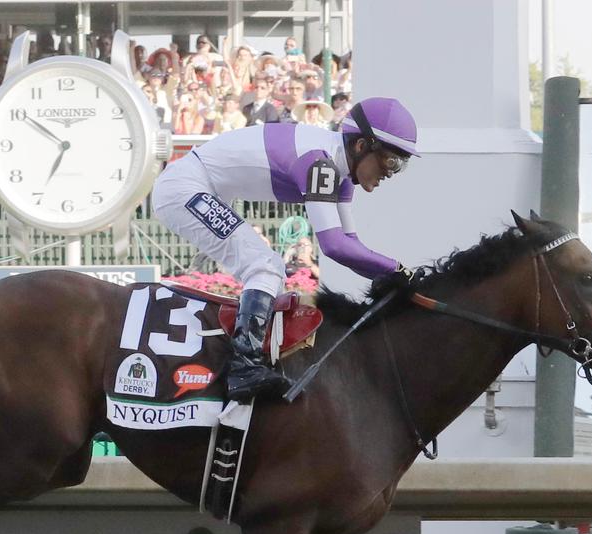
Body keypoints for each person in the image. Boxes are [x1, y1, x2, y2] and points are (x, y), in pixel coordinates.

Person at [151, 97, 419, 402]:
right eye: (391, 161)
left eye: (401, 165)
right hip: (184, 187)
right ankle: (243, 367)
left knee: (269, 269)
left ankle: (251, 360)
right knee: (266, 266)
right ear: (361, 145)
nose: (391, 173)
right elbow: (333, 247)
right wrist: (396, 270)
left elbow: (350, 247)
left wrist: (390, 277)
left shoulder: (340, 176)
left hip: (199, 186)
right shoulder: (320, 163)